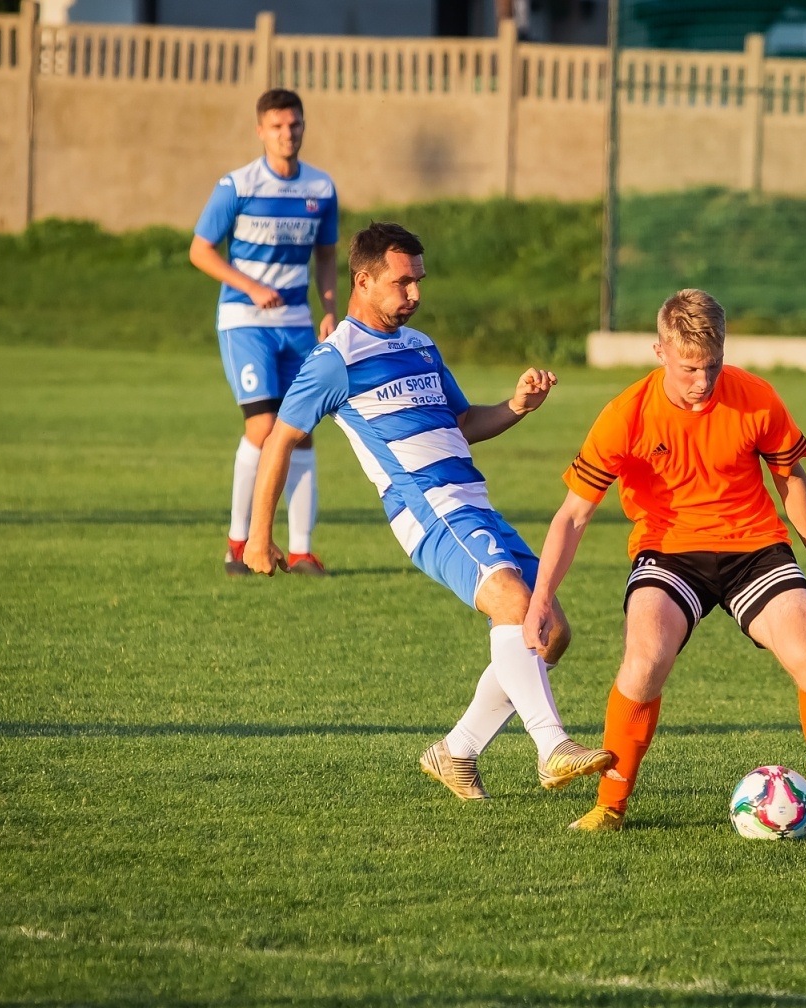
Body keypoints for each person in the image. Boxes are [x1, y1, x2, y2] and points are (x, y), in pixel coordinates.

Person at [244, 222, 614, 798]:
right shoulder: (334, 359)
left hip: (475, 504)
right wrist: (259, 536)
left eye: (419, 280)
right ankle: (552, 749)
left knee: (552, 632)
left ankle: (456, 751)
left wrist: (517, 406)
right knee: (517, 607)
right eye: (402, 282)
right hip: (428, 511)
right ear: (363, 282)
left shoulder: (420, 347)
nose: (415, 293)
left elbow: (464, 425)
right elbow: (279, 440)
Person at [523, 289, 806, 842]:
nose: (702, 381)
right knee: (644, 658)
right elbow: (572, 517)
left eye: (712, 365)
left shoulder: (756, 397)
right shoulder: (625, 415)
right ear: (660, 350)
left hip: (754, 548)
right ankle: (610, 805)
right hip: (668, 552)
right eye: (689, 368)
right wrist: (540, 599)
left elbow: (790, 479)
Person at [191, 88, 338, 578]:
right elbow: (201, 250)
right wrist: (250, 287)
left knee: (301, 435)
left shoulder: (320, 188)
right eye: (276, 126)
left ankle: (299, 551)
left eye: (294, 125)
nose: (287, 133)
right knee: (262, 428)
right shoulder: (236, 185)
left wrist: (331, 311)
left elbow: (327, 256)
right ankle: (239, 542)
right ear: (260, 131)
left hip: (296, 323)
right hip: (244, 321)